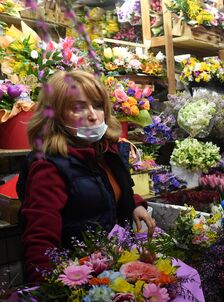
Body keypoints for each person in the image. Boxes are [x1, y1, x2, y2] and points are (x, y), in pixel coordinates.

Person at [17, 70, 156, 283]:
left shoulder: (105, 151)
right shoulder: (49, 167)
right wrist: (48, 300)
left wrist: (134, 203)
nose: (93, 115)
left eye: (98, 105)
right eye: (78, 107)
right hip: (79, 282)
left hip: (110, 271)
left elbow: (114, 188)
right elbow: (40, 242)